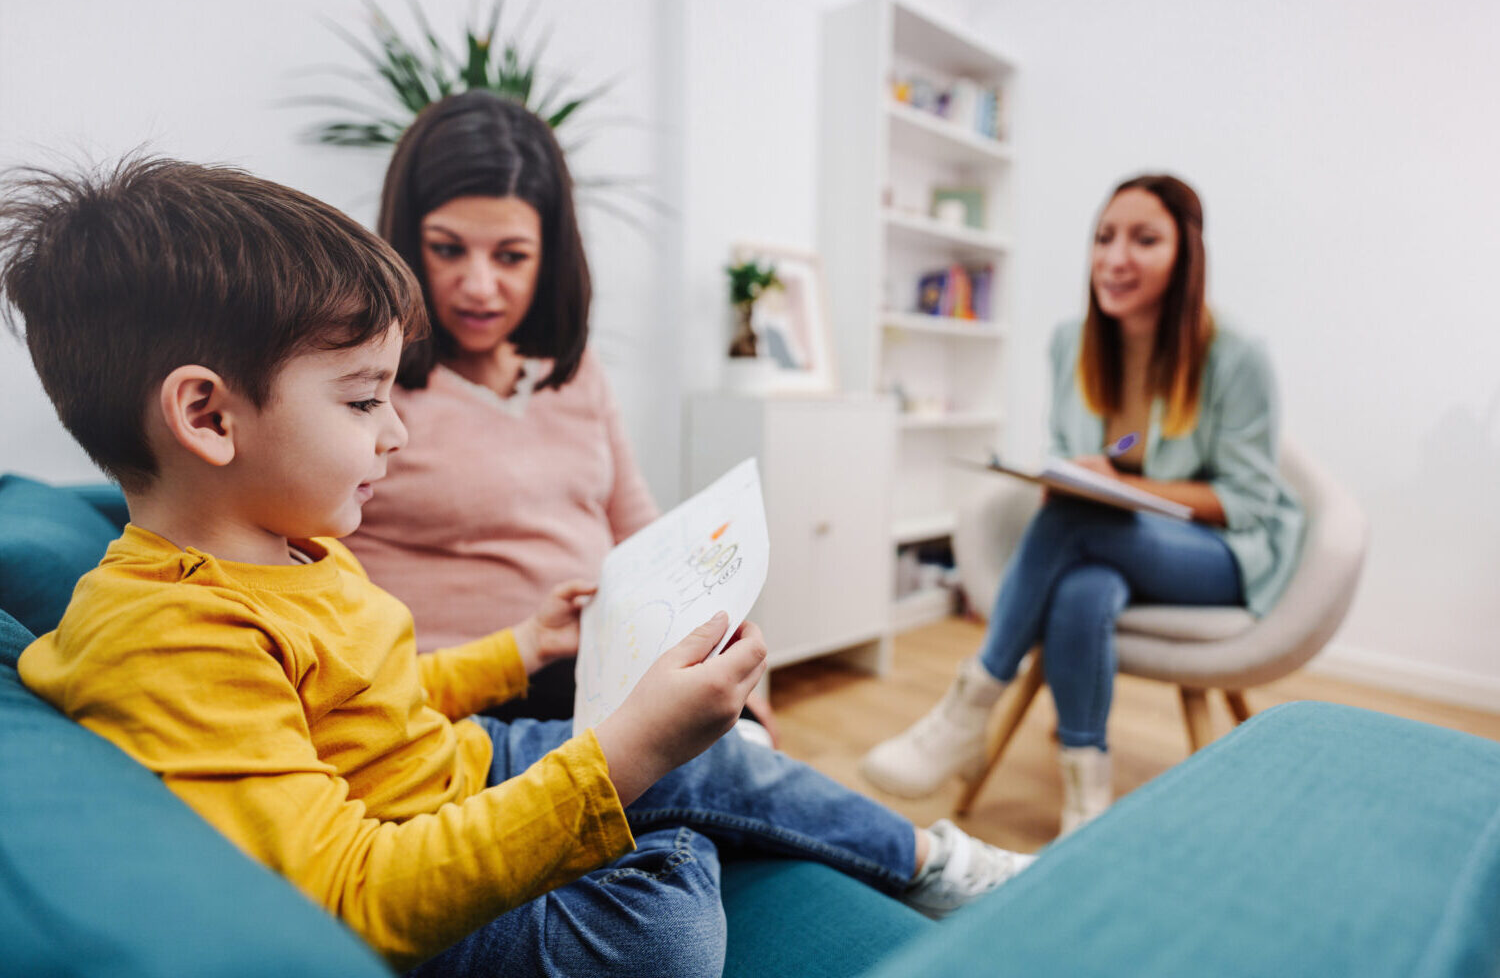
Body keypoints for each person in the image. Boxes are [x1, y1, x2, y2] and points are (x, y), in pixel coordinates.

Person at [0, 156, 1033, 978]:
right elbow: (351, 894)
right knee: (663, 916)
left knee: (711, 762)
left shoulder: (289, 544)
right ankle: (685, 827)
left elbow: (378, 694)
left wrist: (518, 649)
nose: (397, 433)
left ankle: (935, 863)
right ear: (208, 416)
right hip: (403, 856)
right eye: (364, 402)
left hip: (446, 768)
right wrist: (620, 761)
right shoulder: (176, 637)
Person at [861, 174, 1305, 836]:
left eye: (1144, 239)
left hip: (1221, 554)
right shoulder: (1072, 344)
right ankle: (1085, 800)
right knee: (1083, 590)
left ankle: (967, 708)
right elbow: (1070, 455)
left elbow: (1244, 501)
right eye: (1104, 237)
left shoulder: (1237, 356)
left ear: (1187, 256)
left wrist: (1115, 491)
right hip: (1109, 544)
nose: (1115, 257)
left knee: (1080, 517)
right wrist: (1067, 478)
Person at [341, 89, 777, 739]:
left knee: (741, 741)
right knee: (718, 772)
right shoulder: (362, 383)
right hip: (461, 688)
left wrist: (714, 642)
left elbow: (639, 530)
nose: (480, 286)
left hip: (602, 667)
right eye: (447, 249)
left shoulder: (573, 372)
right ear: (407, 242)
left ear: (549, 256)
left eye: (511, 256)